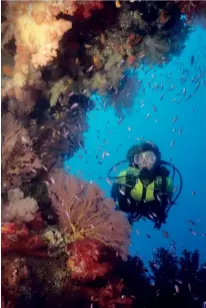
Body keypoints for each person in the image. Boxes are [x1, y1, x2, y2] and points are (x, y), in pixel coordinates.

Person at [109, 142, 182, 229]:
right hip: (128, 208)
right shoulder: (125, 176)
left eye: (150, 158)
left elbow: (166, 203)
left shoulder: (165, 182)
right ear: (135, 162)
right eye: (139, 158)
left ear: (156, 160)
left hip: (150, 211)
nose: (144, 163)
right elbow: (113, 197)